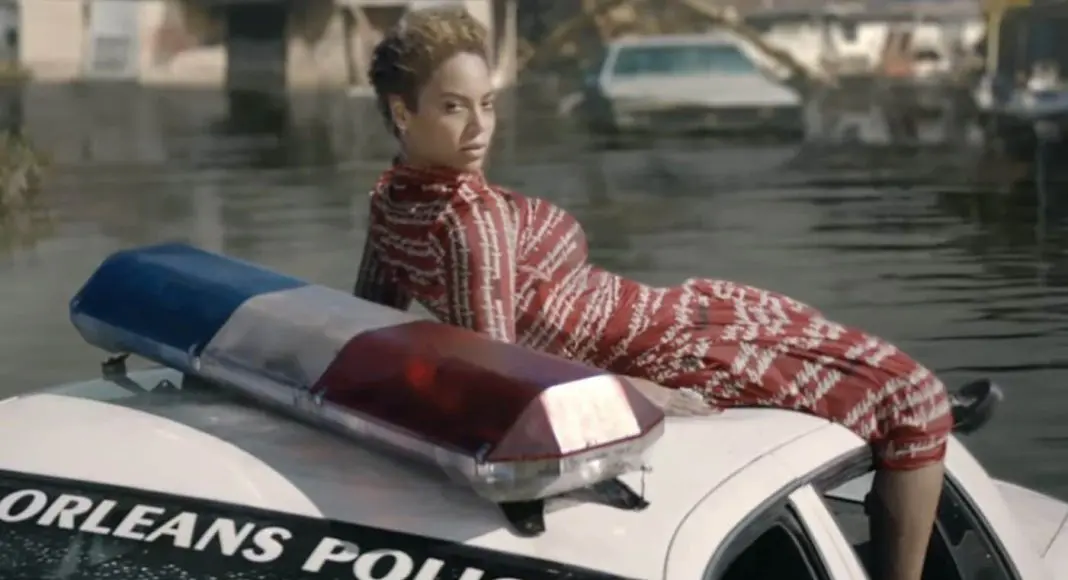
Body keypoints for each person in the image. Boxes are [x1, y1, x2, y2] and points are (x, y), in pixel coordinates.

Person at [353, 7, 951, 580]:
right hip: (660, 348)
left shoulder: (390, 202)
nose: (479, 127)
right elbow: (502, 375)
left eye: (486, 104)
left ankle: (898, 441)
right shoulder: (470, 219)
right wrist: (623, 388)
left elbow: (368, 324)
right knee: (916, 398)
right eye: (453, 107)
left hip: (667, 316)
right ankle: (914, 456)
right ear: (402, 112)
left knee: (815, 331)